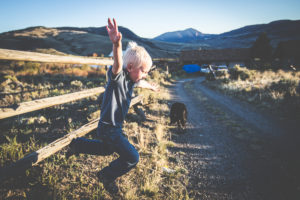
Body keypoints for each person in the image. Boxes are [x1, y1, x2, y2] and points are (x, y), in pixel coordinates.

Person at [66, 18, 159, 193]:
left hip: (111, 127)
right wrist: (117, 44)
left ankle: (78, 145)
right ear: (130, 67)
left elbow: (140, 83)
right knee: (132, 157)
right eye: (144, 71)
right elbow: (117, 64)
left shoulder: (132, 80)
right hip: (110, 128)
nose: (146, 75)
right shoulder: (118, 78)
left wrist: (150, 86)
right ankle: (106, 176)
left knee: (106, 150)